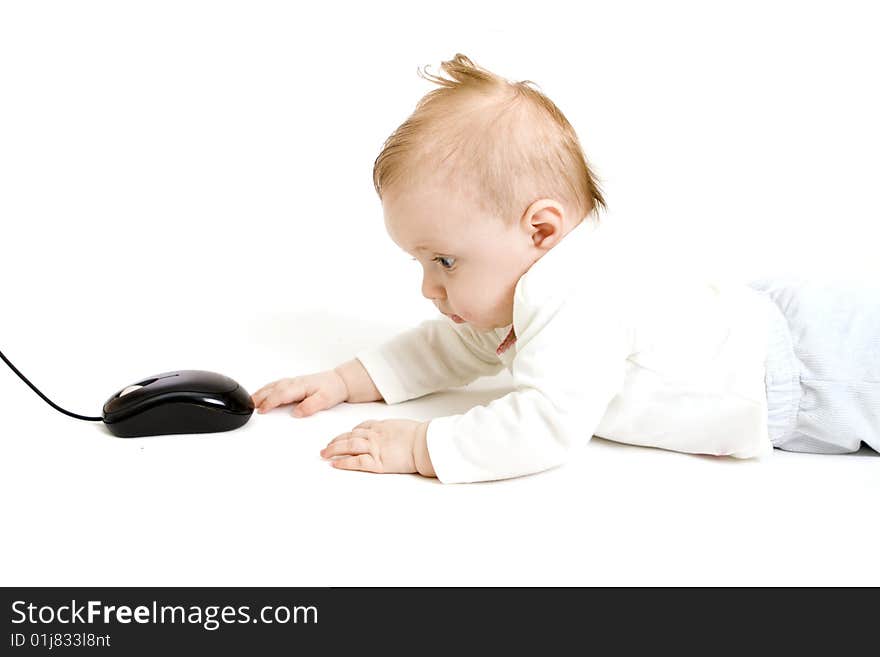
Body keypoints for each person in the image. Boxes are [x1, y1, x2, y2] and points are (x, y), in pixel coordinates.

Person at [250, 54, 880, 484]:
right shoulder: (525, 282)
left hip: (818, 367)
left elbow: (546, 424)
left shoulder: (575, 294)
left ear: (541, 230)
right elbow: (453, 348)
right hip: (777, 333)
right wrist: (345, 380)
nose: (429, 287)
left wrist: (422, 447)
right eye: (421, 261)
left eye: (444, 259)